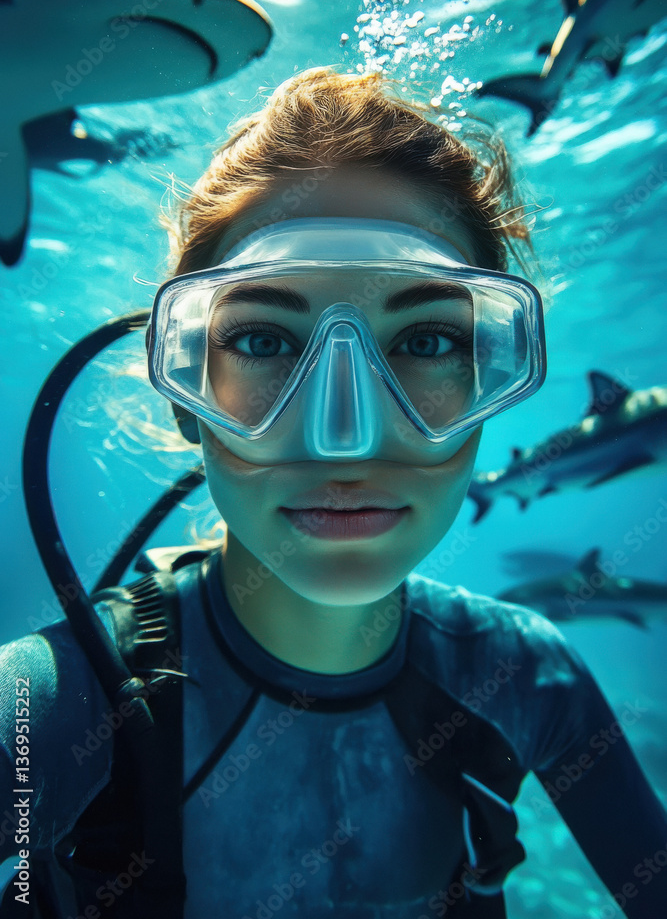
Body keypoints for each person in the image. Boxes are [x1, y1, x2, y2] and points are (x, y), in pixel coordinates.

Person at [1, 67, 666, 919]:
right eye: (264, 340)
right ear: (181, 394)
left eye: (426, 338)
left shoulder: (532, 676)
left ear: (490, 378)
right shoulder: (45, 709)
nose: (342, 438)